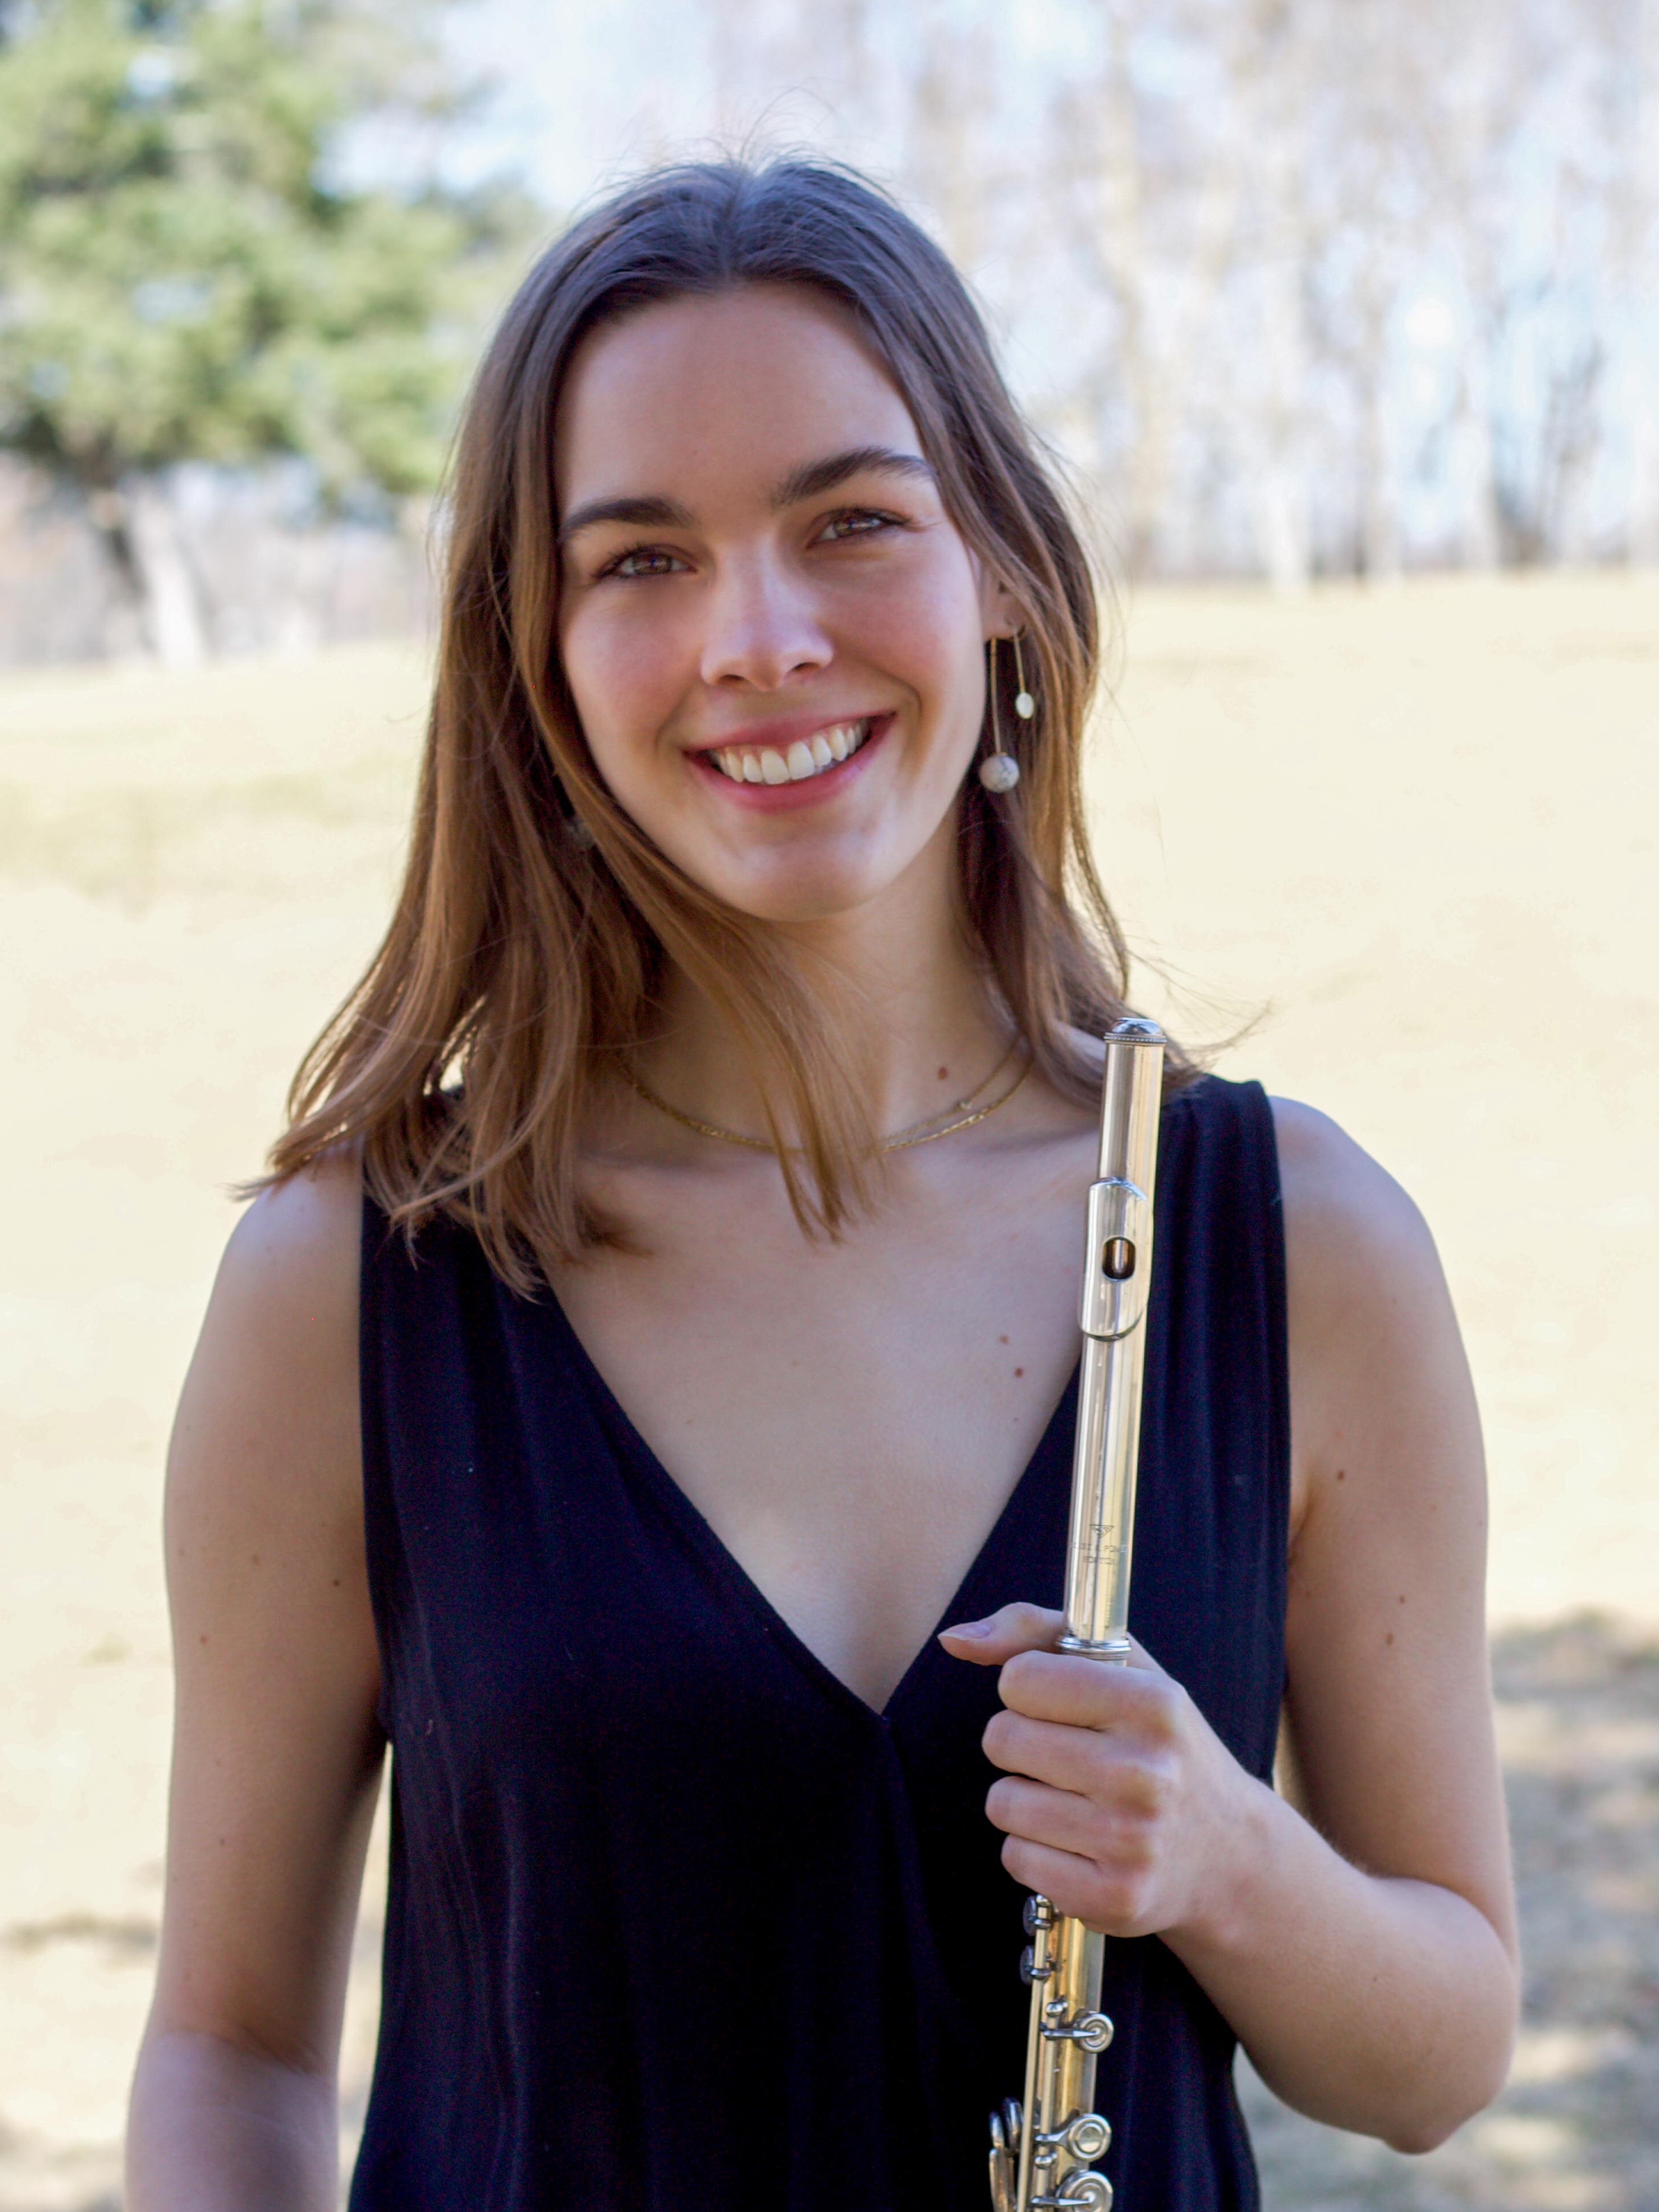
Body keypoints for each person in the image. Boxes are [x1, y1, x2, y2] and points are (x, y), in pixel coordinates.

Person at [125, 159, 1517, 2212]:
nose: (757, 639)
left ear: (1006, 576)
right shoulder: (348, 1285)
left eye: (851, 521)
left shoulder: (1301, 1247)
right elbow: (228, 2044)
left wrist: (1229, 1857)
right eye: (640, 560)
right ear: (539, 659)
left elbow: (1443, 2044)